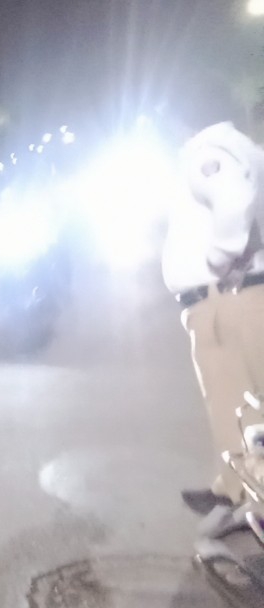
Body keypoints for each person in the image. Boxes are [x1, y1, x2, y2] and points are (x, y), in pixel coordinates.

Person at [163, 121, 264, 516]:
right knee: (248, 406)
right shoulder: (246, 151)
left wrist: (220, 255)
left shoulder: (208, 151)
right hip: (242, 295)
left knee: (237, 408)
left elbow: (233, 199)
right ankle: (233, 486)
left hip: (222, 300)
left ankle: (252, 503)